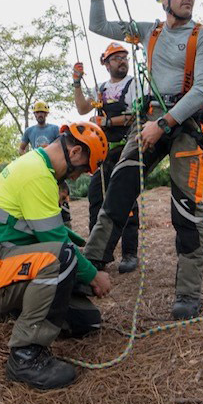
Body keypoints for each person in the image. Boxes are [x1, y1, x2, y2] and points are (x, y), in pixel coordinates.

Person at [84, 0, 203, 320]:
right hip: (149, 121)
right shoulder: (150, 32)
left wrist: (164, 123)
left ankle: (188, 293)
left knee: (185, 209)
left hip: (185, 124)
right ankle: (85, 273)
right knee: (118, 190)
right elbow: (98, 24)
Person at [0, 122, 111, 390]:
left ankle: (13, 311)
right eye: (80, 171)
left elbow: (46, 235)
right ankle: (25, 355)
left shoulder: (36, 166)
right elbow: (56, 243)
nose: (75, 179)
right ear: (75, 153)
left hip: (4, 268)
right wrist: (94, 276)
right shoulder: (36, 174)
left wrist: (85, 273)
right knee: (63, 258)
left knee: (87, 321)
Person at [72, 42, 140, 273]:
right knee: (96, 197)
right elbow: (82, 108)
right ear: (106, 63)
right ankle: (97, 252)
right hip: (104, 152)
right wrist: (76, 81)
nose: (122, 61)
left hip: (126, 147)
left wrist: (108, 121)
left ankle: (130, 252)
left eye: (124, 57)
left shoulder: (133, 84)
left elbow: (138, 114)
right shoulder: (100, 89)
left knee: (126, 198)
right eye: (116, 58)